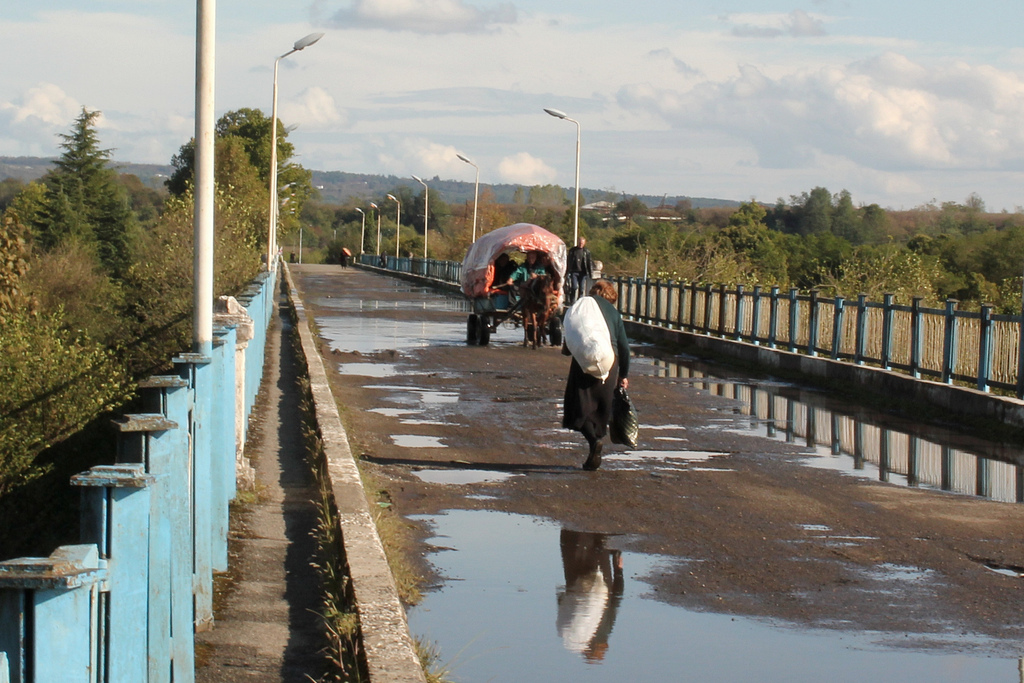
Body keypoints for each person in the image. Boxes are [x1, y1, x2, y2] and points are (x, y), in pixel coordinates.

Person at [562, 279, 629, 470]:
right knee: (601, 410)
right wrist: (623, 375)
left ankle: (593, 442)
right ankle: (595, 445)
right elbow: (624, 347)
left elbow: (572, 333)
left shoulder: (583, 307)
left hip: (583, 364)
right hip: (611, 363)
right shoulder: (614, 313)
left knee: (578, 407)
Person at [565, 237, 594, 304]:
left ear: (584, 243)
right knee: (574, 287)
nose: (581, 244)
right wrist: (567, 271)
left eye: (582, 243)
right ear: (578, 242)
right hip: (574, 271)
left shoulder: (586, 252)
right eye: (580, 243)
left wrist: (590, 273)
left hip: (582, 272)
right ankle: (572, 301)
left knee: (581, 288)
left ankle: (579, 302)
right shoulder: (572, 251)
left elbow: (589, 262)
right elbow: (568, 261)